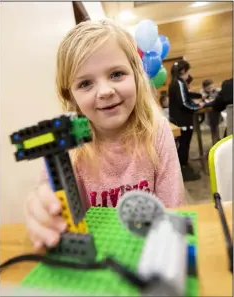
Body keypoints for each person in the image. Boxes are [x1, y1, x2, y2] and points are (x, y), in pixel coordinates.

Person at [25, 19, 185, 250]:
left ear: (137, 75)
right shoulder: (67, 144)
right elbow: (50, 201)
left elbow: (174, 209)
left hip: (151, 247)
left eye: (117, 74)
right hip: (96, 255)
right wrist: (42, 210)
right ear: (70, 96)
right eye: (86, 83)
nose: (105, 91)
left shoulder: (157, 130)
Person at [168, 60, 205, 182]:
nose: (188, 75)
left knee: (183, 145)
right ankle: (182, 170)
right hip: (182, 120)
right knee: (184, 145)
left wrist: (199, 97)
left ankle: (183, 166)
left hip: (180, 119)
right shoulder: (178, 83)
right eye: (186, 72)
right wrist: (198, 106)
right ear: (182, 71)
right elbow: (184, 103)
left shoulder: (177, 83)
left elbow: (186, 95)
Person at [201, 79, 221, 144]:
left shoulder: (217, 91)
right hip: (210, 115)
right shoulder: (203, 94)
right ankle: (215, 142)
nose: (211, 89)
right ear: (204, 88)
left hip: (218, 113)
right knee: (214, 129)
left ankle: (218, 141)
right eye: (208, 88)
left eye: (212, 87)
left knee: (217, 129)